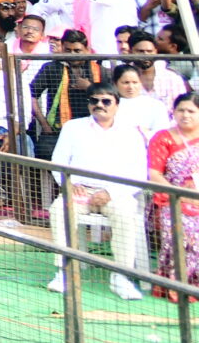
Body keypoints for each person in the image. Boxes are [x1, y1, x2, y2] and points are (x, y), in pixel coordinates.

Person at [46, 76, 149, 301]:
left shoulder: (131, 132)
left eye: (106, 101)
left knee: (125, 214)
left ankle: (121, 275)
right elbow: (58, 161)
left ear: (116, 104)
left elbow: (139, 172)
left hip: (117, 193)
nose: (99, 105)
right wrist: (69, 184)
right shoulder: (73, 127)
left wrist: (111, 193)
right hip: (80, 191)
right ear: (88, 103)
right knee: (59, 210)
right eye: (94, 101)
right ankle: (63, 271)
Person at [147, 94, 199, 298]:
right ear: (173, 112)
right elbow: (154, 174)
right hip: (170, 198)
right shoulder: (163, 137)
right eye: (181, 110)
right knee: (187, 227)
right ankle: (181, 284)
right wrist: (178, 195)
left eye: (191, 111)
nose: (185, 115)